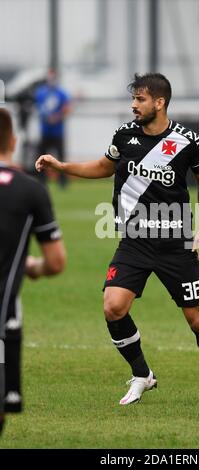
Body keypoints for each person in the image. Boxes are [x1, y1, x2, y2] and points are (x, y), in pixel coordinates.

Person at [35, 73, 199, 406]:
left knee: (197, 319)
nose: (133, 105)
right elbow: (103, 166)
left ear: (160, 102)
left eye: (140, 100)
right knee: (113, 307)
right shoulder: (125, 135)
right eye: (133, 99)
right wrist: (62, 166)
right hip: (135, 241)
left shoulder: (186, 140)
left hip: (175, 243)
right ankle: (142, 374)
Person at [0, 108, 66, 435]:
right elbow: (55, 262)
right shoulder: (31, 190)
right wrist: (32, 267)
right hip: (4, 314)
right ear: (13, 141)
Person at [34, 68, 72, 187]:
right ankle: (41, 180)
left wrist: (57, 117)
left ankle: (62, 181)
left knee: (60, 157)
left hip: (58, 131)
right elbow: (38, 107)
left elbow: (67, 108)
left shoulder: (61, 92)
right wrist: (46, 117)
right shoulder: (40, 92)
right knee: (41, 156)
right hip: (45, 131)